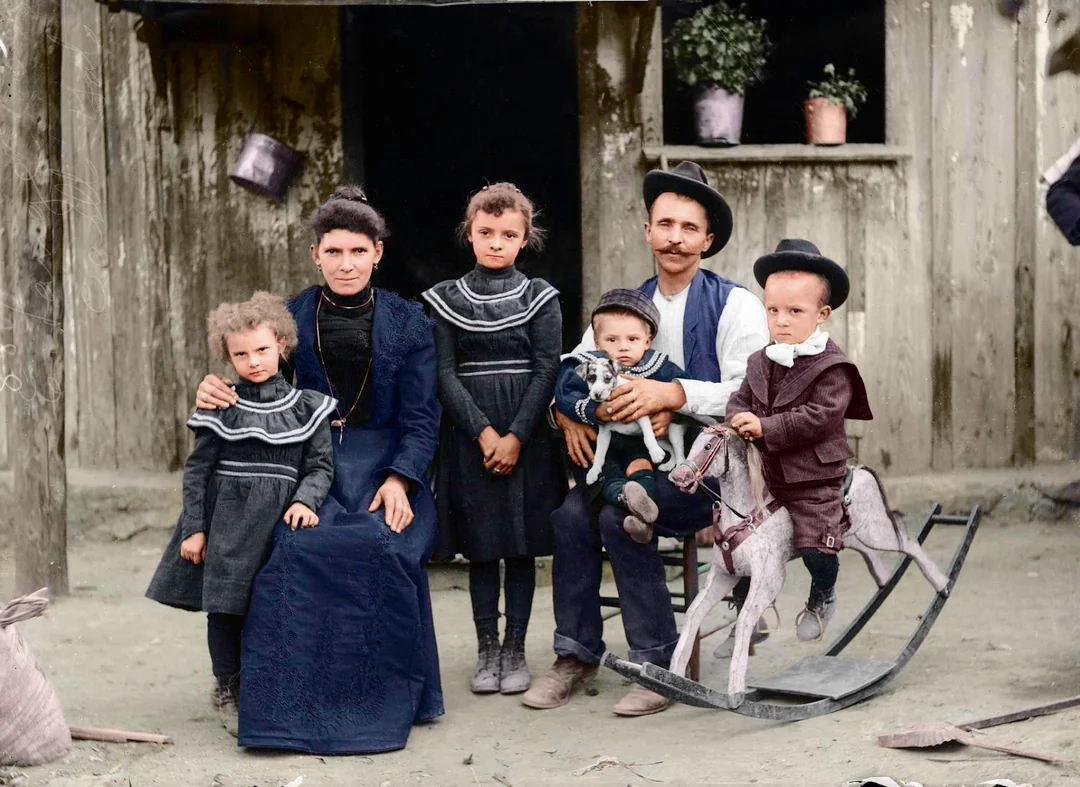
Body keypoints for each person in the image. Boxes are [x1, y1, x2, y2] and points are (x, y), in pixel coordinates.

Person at [193, 186, 444, 754]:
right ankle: (292, 700)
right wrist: (215, 388)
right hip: (306, 465)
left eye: (358, 251)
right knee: (295, 547)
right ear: (315, 255)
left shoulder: (407, 321)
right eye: (334, 252)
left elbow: (423, 418)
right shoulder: (292, 317)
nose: (346, 264)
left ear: (378, 252)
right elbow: (253, 375)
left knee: (386, 544)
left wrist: (402, 478)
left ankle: (393, 694)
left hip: (386, 462)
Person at [522, 161, 770, 717]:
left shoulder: (735, 306)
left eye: (689, 228)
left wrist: (672, 396)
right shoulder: (621, 311)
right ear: (647, 230)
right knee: (568, 516)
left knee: (621, 520)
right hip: (626, 460)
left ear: (708, 239)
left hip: (706, 468)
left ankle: (657, 664)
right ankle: (577, 652)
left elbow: (750, 394)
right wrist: (571, 415)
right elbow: (576, 370)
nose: (675, 239)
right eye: (665, 225)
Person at [146, 292, 336, 736]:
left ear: (283, 346)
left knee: (270, 606)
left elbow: (320, 467)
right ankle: (226, 686)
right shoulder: (221, 405)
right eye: (241, 354)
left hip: (279, 524)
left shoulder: (307, 407)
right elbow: (197, 472)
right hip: (228, 523)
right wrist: (194, 529)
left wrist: (305, 501)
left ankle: (266, 683)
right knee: (226, 609)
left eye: (263, 350)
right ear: (227, 356)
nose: (253, 361)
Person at [421, 183, 566, 696]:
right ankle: (486, 649)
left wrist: (516, 436)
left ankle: (516, 649)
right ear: (469, 233)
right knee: (482, 547)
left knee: (521, 547)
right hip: (470, 434)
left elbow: (548, 367)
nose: (496, 243)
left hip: (526, 439)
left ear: (525, 239)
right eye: (486, 232)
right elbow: (443, 373)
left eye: (509, 234)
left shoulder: (541, 298)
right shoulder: (445, 300)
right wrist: (484, 432)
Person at [726, 239, 873, 641]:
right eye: (773, 310)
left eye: (795, 311)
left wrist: (767, 428)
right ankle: (748, 607)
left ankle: (822, 591)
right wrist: (738, 418)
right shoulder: (761, 360)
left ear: (822, 314)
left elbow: (820, 418)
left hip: (813, 478)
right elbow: (740, 399)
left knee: (815, 543)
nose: (782, 321)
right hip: (769, 476)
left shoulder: (833, 367)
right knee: (742, 535)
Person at [555, 288, 687, 545]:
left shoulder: (657, 366)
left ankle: (642, 514)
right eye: (612, 340)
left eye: (633, 339)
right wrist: (594, 410)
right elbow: (565, 394)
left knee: (643, 469)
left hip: (640, 445)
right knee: (605, 474)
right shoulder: (590, 365)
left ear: (647, 341)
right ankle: (625, 498)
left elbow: (685, 388)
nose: (623, 347)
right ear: (596, 342)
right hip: (603, 445)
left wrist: (667, 409)